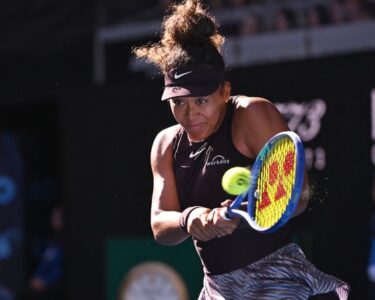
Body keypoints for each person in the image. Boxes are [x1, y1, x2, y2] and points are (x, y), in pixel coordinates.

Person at [133, 0, 350, 298]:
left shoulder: (252, 114)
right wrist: (191, 219)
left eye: (201, 101)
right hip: (217, 287)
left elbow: (297, 197)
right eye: (178, 103)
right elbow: (160, 226)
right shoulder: (166, 144)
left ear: (225, 91)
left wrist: (248, 209)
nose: (190, 114)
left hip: (277, 275)